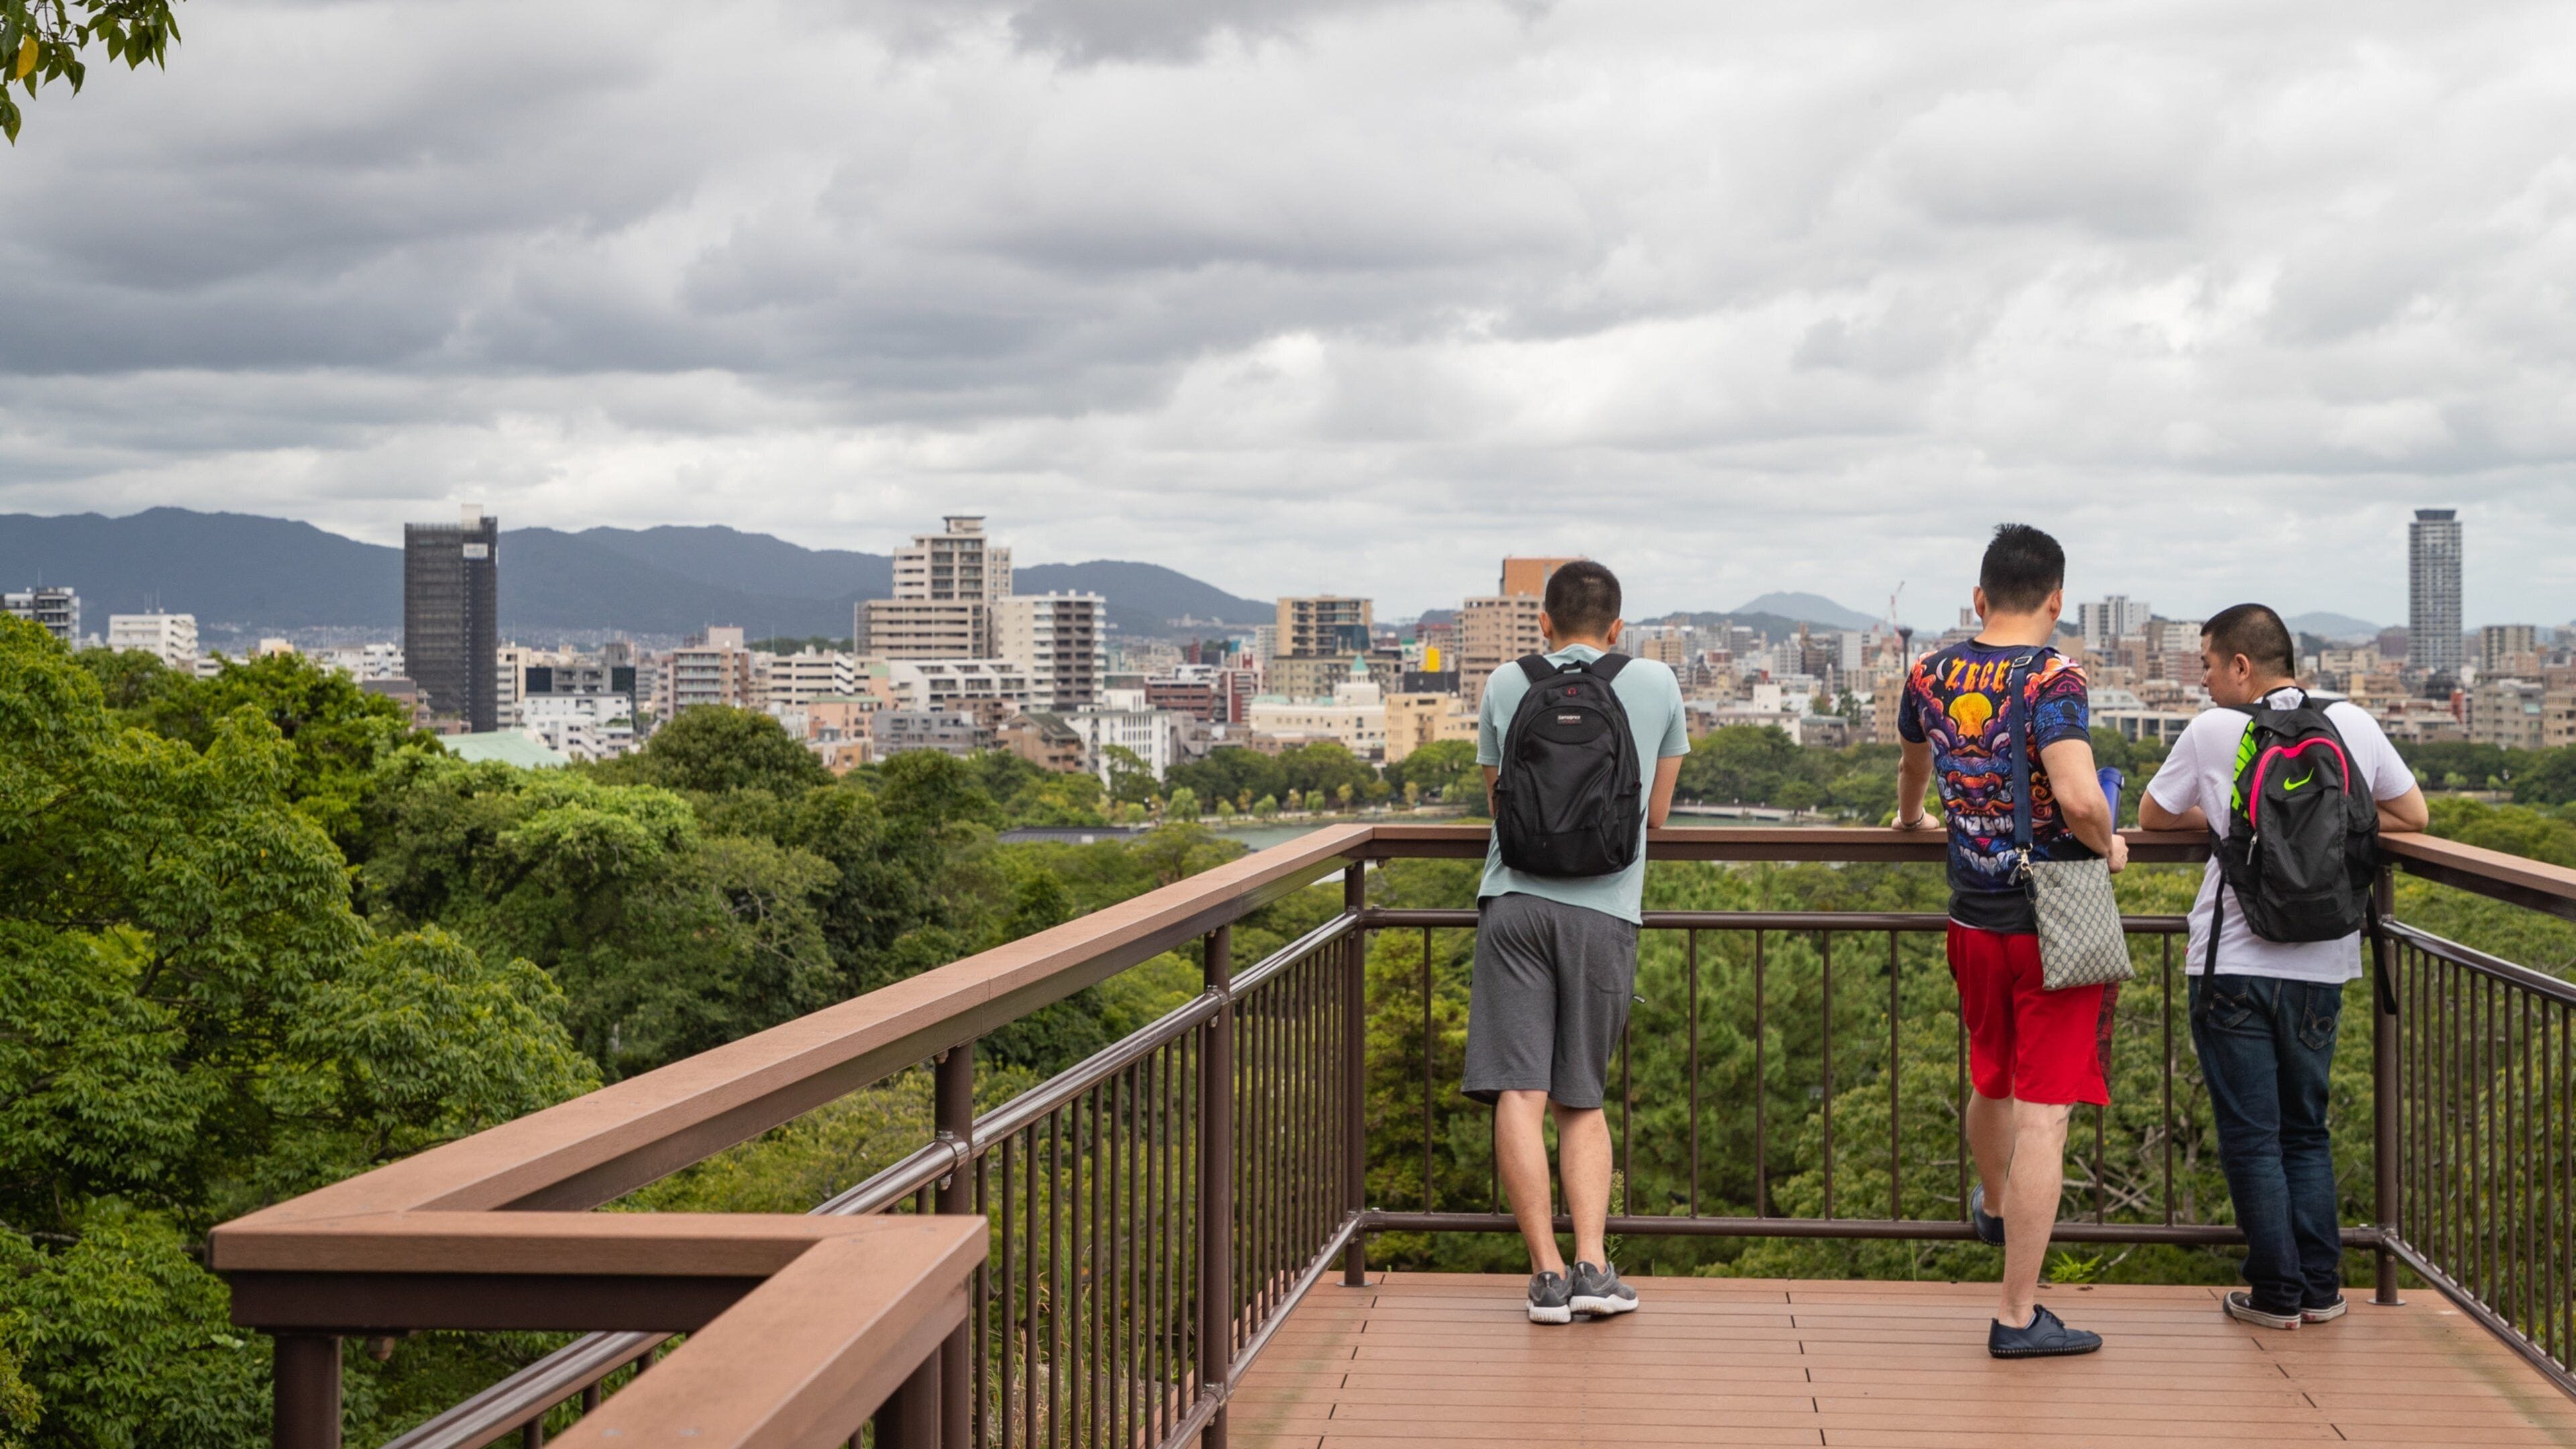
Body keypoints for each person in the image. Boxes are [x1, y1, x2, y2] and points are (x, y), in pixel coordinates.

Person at [2140, 604, 2427, 1330]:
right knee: (2306, 1130)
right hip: (2324, 961)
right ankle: (2323, 1289)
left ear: (2242, 666)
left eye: (2207, 664)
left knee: (2251, 1135)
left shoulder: (2212, 732)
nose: (2202, 680)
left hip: (2231, 962)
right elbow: (2413, 816)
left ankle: (2275, 1293)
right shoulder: (2353, 725)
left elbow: (2151, 816)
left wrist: (2231, 817)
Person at [1894, 523, 2127, 1358]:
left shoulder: (1930, 672)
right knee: (2046, 1115)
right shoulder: (2057, 678)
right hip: (2053, 921)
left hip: (1972, 915)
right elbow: (2075, 793)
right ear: (2057, 600)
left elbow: (1914, 770)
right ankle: (2019, 1314)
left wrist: (1910, 820)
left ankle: (1994, 1208)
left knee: (1991, 1079)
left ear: (1980, 597)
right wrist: (2110, 837)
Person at [1462, 559, 1688, 1324]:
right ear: (1618, 626)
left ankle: (1547, 1277)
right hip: (1605, 912)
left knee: (1519, 1094)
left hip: (1515, 903)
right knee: (1580, 1099)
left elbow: (1499, 802)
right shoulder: (1656, 684)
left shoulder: (1505, 682)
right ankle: (1594, 1266)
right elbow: (1654, 819)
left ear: (1546, 626)